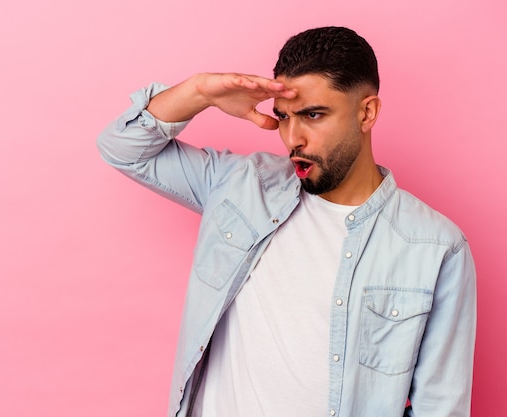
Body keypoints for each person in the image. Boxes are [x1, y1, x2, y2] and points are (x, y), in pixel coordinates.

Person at [97, 26, 476, 417]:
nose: (293, 137)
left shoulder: (435, 247)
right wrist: (201, 92)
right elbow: (124, 149)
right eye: (283, 117)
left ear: (367, 112)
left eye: (313, 115)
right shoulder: (241, 185)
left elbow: (440, 407)